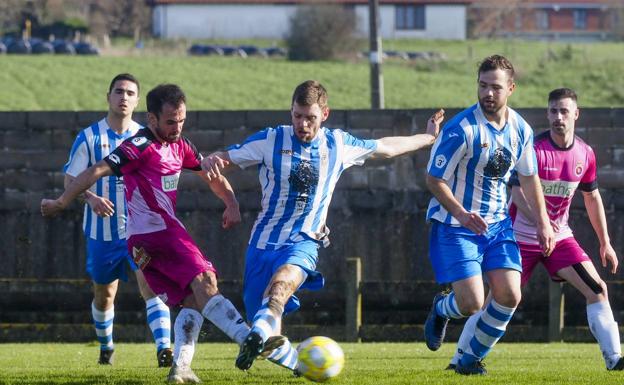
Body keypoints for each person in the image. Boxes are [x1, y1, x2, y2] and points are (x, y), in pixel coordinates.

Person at [201, 80, 443, 373]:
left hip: (304, 241)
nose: (303, 124)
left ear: (324, 114)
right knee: (266, 333)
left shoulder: (338, 144)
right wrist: (221, 178)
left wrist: (427, 139)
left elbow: (387, 148)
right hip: (262, 244)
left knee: (280, 289)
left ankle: (259, 334)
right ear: (291, 113)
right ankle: (291, 359)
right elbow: (220, 162)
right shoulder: (270, 140)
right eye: (297, 116)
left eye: (310, 118)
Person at [42, 84, 267, 384]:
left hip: (143, 241)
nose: (176, 128)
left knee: (189, 299)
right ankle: (247, 337)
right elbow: (96, 170)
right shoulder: (138, 146)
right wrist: (62, 201)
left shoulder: (181, 146)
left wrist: (231, 201)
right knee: (206, 280)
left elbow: (208, 175)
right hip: (158, 233)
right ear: (151, 119)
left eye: (181, 121)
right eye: (170, 122)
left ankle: (180, 368)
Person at [448, 88, 623, 371]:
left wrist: (605, 242)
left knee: (597, 289)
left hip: (560, 239)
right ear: (547, 114)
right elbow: (517, 194)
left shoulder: (585, 154)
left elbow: (592, 197)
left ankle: (614, 359)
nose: (558, 117)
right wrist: (543, 225)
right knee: (495, 301)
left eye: (564, 111)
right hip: (518, 239)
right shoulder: (534, 150)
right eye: (553, 111)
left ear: (576, 114)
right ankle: (460, 359)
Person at [423, 55, 555, 375]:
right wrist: (461, 212)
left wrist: (543, 223)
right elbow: (433, 178)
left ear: (511, 88)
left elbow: (528, 178)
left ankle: (470, 359)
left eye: (496, 87)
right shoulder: (460, 130)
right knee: (470, 304)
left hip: (497, 226)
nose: (488, 93)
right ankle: (442, 309)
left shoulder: (521, 129)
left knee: (510, 295)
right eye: (483, 86)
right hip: (456, 226)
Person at [59, 73, 172, 367]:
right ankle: (106, 346)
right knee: (104, 295)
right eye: (119, 91)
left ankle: (164, 348)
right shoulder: (89, 137)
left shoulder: (146, 137)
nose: (124, 97)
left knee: (151, 287)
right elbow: (70, 179)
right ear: (108, 97)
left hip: (140, 231)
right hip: (102, 233)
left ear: (137, 101)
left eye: (130, 93)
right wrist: (91, 198)